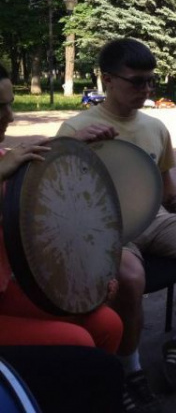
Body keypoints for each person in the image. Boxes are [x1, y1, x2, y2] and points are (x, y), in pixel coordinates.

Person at [57, 39, 176, 411]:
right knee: (131, 278)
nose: (145, 90)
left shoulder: (155, 127)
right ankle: (130, 366)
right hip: (106, 229)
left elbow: (168, 188)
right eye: (136, 82)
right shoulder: (76, 128)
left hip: (156, 219)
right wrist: (72, 149)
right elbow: (56, 194)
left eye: (150, 82)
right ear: (107, 80)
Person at [0, 63, 124, 412]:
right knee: (78, 342)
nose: (9, 116)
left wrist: (67, 145)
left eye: (10, 104)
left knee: (108, 325)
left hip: (9, 295)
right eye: (0, 107)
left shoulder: (5, 157)